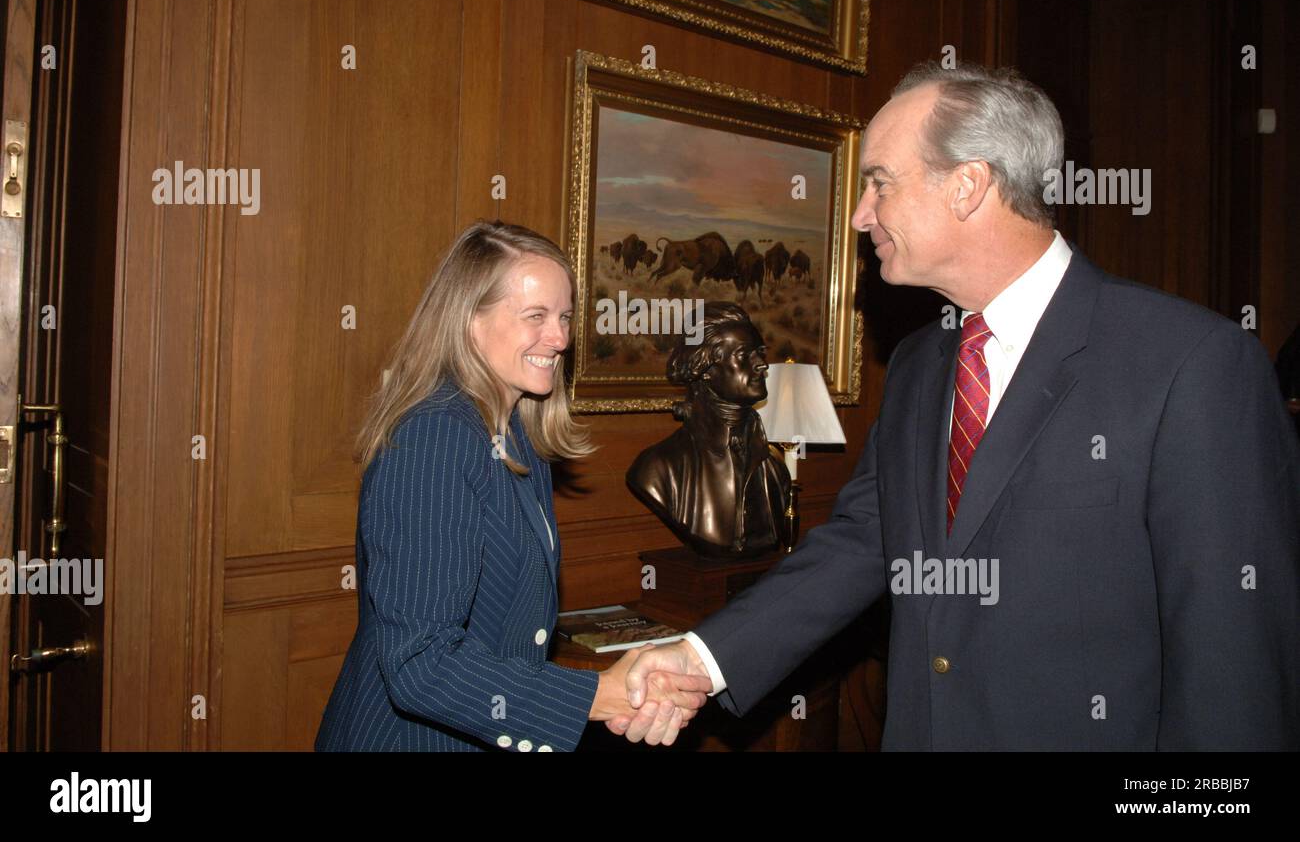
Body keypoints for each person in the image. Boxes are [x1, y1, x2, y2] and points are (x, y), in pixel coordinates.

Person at [611, 61, 1300, 750]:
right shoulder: (919, 363)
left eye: (880, 182)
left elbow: (1233, 670)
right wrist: (703, 658)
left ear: (968, 185)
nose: (860, 213)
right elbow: (865, 542)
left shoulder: (1191, 363)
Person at [315, 220, 712, 751]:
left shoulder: (518, 435)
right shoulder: (433, 440)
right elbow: (420, 661)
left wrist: (622, 688)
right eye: (536, 317)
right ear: (469, 323)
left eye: (565, 316)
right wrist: (598, 696)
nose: (561, 338)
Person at [626, 301, 789, 557]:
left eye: (761, 353)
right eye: (744, 355)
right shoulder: (656, 470)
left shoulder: (775, 466)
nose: (762, 365)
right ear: (703, 369)